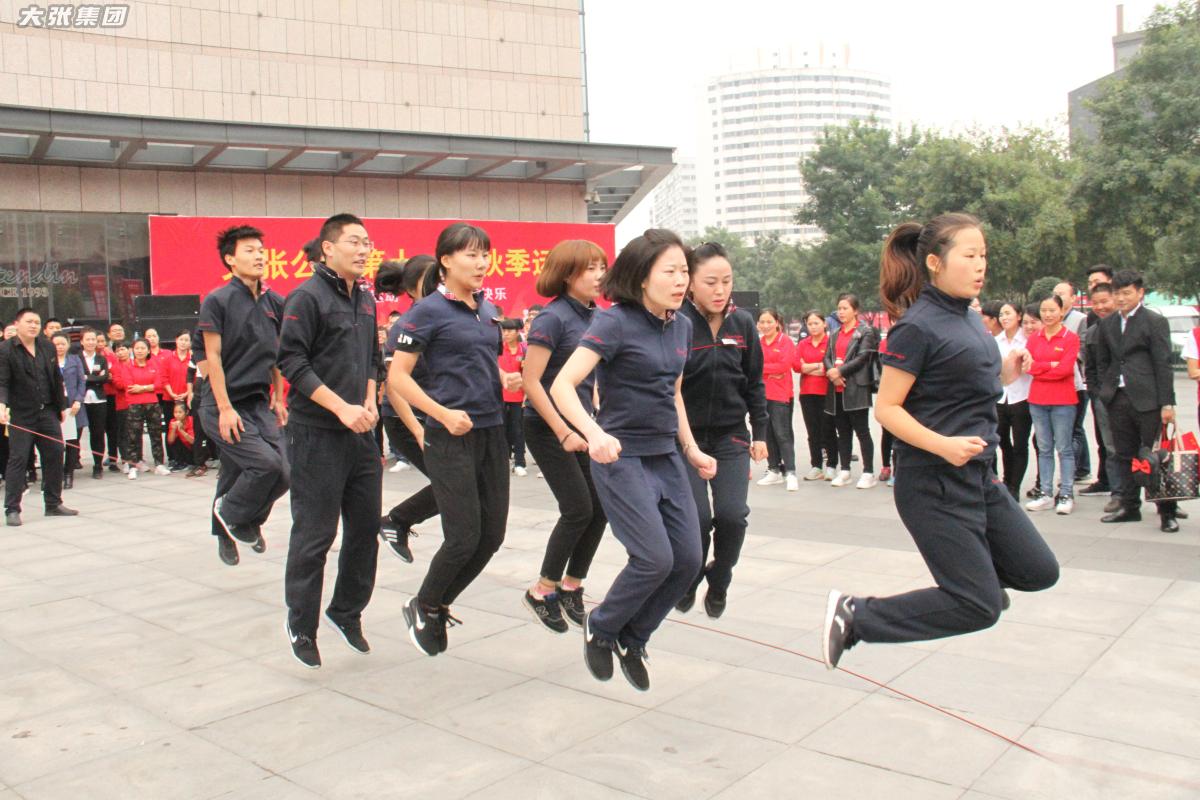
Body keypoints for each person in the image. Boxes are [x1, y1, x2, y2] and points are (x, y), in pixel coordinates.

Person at [823, 214, 1059, 670]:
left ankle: (980, 583)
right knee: (978, 607)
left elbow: (966, 384)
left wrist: (1008, 372)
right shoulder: (918, 326)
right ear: (934, 262)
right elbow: (887, 409)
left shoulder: (971, 319)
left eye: (983, 255)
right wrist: (943, 445)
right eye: (969, 256)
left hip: (978, 476)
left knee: (1038, 571)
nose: (980, 265)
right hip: (934, 483)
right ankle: (857, 616)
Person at [551, 228, 716, 692]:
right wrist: (594, 434)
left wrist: (692, 448)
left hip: (666, 455)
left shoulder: (682, 323)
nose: (682, 280)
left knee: (687, 561)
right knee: (654, 559)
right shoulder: (614, 322)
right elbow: (563, 385)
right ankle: (602, 627)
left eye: (685, 271)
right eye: (671, 271)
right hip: (621, 456)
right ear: (643, 277)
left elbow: (675, 393)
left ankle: (634, 638)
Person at [391, 223, 517, 656]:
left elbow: (479, 364)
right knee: (464, 534)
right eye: (471, 255)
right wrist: (440, 414)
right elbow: (397, 378)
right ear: (445, 261)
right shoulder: (426, 312)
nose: (482, 263)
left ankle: (439, 602)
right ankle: (424, 603)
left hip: (492, 432)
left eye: (485, 254)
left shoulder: (486, 311)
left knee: (492, 534)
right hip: (450, 436)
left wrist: (507, 377)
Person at [278, 213, 383, 668]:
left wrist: (370, 399)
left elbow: (374, 358)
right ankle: (302, 624)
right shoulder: (307, 297)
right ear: (328, 248)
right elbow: (292, 363)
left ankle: (347, 611)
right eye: (354, 242)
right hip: (316, 435)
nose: (363, 250)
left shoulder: (364, 297)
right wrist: (340, 406)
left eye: (367, 243)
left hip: (361, 433)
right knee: (316, 535)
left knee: (365, 531)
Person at [519, 240, 608, 633]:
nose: (599, 275)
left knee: (601, 508)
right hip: (545, 426)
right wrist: (561, 429)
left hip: (582, 425)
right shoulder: (552, 318)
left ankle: (572, 584)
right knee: (577, 507)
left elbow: (589, 379)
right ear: (568, 273)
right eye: (590, 268)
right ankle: (542, 590)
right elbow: (531, 380)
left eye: (601, 266)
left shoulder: (596, 317)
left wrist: (593, 422)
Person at [675, 241, 767, 619]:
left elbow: (755, 381)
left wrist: (759, 433)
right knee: (695, 519)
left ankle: (720, 577)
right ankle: (692, 574)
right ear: (691, 283)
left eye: (726, 281)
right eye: (710, 281)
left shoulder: (743, 323)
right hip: (686, 439)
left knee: (732, 515)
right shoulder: (677, 323)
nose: (719, 290)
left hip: (731, 437)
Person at [198, 224, 291, 567]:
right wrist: (224, 409)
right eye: (249, 250)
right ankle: (230, 518)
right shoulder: (218, 301)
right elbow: (213, 358)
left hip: (257, 403)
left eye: (261, 250)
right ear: (230, 259)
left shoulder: (275, 302)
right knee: (262, 465)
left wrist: (279, 398)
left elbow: (278, 354)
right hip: (221, 403)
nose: (259, 256)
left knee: (284, 471)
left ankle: (244, 520)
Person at [1094, 270, 1180, 533]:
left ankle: (1167, 511)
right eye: (1117, 293)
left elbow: (1163, 364)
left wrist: (1167, 403)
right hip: (1117, 398)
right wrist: (1103, 391)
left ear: (1140, 293)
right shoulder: (1107, 324)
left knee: (1156, 456)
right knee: (1123, 455)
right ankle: (1129, 506)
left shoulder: (1153, 321)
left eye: (1126, 293)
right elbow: (1102, 361)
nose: (1121, 298)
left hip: (1148, 400)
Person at [377, 255, 441, 563]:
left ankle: (399, 521)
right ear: (415, 288)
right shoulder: (406, 324)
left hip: (433, 417)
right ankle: (397, 521)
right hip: (406, 420)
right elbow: (394, 384)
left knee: (458, 486)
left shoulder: (441, 316)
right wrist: (417, 430)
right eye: (434, 279)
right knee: (450, 484)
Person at [0, 308, 77, 526]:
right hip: (21, 414)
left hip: (48, 411)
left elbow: (56, 378)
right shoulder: (5, 350)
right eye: (29, 321)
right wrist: (1, 405)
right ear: (17, 324)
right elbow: (2, 381)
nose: (33, 325)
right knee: (18, 459)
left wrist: (62, 406)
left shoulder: (46, 346)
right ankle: (12, 509)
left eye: (37, 322)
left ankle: (53, 503)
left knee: (55, 452)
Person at [1022, 295, 1081, 515]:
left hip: (1063, 401)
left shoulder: (1070, 338)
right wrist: (1048, 365)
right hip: (1037, 399)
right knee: (1044, 448)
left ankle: (1066, 493)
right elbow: (1029, 367)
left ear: (1061, 312)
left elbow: (1065, 370)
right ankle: (1045, 492)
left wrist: (1041, 367)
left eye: (1052, 310)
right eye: (1044, 311)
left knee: (1064, 448)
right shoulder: (1035, 338)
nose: (1047, 315)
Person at [825, 293, 879, 489]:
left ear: (855, 311)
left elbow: (863, 357)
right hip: (836, 388)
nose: (841, 312)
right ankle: (845, 469)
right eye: (839, 308)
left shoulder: (865, 331)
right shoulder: (836, 332)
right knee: (843, 431)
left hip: (855, 387)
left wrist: (839, 371)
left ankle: (868, 472)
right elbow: (827, 356)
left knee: (862, 431)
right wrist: (832, 373)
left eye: (845, 308)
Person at [1081, 283, 1125, 512]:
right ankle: (1119, 495)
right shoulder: (1093, 331)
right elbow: (1090, 367)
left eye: (1104, 301)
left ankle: (1161, 498)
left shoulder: (1129, 326)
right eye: (1095, 302)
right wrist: (1096, 393)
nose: (1100, 307)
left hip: (1134, 397)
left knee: (1145, 448)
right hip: (1104, 398)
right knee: (1112, 448)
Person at [993, 302, 1032, 500]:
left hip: (1022, 396)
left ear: (1019, 316)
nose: (1004, 317)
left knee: (1020, 444)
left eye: (1008, 313)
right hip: (1001, 398)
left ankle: (1014, 486)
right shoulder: (996, 340)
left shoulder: (1027, 340)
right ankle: (1006, 480)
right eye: (1001, 314)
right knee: (1001, 440)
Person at [1054, 280, 1091, 484]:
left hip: (1077, 381)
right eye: (1055, 292)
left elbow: (1083, 349)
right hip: (1056, 382)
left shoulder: (1079, 319)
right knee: (1071, 428)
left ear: (1073, 298)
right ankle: (1081, 468)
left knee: (1074, 427)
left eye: (1062, 293)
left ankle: (1077, 469)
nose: (1058, 295)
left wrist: (1062, 358)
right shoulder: (1052, 319)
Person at [793, 310, 837, 481]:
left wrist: (809, 366)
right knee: (813, 431)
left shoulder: (831, 342)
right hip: (807, 393)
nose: (813, 327)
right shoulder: (803, 344)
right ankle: (816, 465)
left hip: (826, 392)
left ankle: (832, 465)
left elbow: (830, 366)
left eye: (816, 323)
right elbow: (797, 366)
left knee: (828, 429)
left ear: (824, 323)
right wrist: (817, 366)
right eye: (810, 324)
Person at [756, 307, 796, 490]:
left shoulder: (785, 341)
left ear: (777, 323)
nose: (765, 325)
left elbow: (784, 365)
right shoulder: (758, 343)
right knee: (767, 435)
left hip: (780, 394)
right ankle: (773, 469)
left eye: (769, 322)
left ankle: (791, 471)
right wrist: (770, 370)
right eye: (762, 322)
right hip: (762, 395)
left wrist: (765, 369)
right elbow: (753, 366)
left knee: (782, 433)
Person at [121, 338, 170, 480]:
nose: (140, 351)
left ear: (148, 350)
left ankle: (159, 463)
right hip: (134, 405)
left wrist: (142, 388)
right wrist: (149, 387)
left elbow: (159, 384)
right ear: (132, 350)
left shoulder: (154, 363)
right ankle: (132, 465)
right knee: (133, 436)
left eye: (143, 348)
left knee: (156, 433)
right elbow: (129, 387)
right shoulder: (128, 366)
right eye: (137, 348)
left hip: (152, 403)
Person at [52, 332, 88, 489]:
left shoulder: (75, 360)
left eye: (62, 344)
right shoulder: (48, 361)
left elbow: (82, 382)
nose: (59, 347)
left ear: (67, 344)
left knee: (73, 442)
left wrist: (78, 400)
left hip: (73, 406)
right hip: (55, 406)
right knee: (56, 443)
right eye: (56, 344)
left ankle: (68, 474)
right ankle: (57, 473)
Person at [79, 328, 110, 479]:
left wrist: (86, 377)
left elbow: (105, 378)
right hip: (81, 399)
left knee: (97, 433)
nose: (91, 342)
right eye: (88, 339)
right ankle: (72, 463)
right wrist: (94, 377)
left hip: (99, 400)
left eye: (94, 340)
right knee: (76, 433)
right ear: (82, 341)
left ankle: (97, 465)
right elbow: (78, 378)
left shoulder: (101, 358)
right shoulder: (76, 358)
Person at [498, 320, 528, 476]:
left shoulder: (524, 350)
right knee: (501, 429)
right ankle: (504, 460)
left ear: (517, 332)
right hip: (499, 397)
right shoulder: (498, 349)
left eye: (510, 331)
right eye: (504, 331)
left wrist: (527, 395)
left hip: (518, 397)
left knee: (518, 430)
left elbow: (528, 374)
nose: (506, 334)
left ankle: (520, 462)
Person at [103, 323, 125, 470]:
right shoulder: (104, 352)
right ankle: (112, 457)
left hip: (124, 395)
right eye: (114, 331)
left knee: (123, 428)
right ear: (108, 334)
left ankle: (127, 456)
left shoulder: (129, 348)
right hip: (108, 394)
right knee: (111, 428)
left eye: (120, 330)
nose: (118, 333)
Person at [166, 402, 195, 467]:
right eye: (175, 412)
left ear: (186, 412)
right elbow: (170, 441)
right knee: (174, 440)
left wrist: (181, 430)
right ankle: (180, 462)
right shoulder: (173, 421)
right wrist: (173, 430)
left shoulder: (191, 420)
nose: (177, 415)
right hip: (184, 447)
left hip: (193, 448)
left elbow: (193, 441)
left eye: (180, 412)